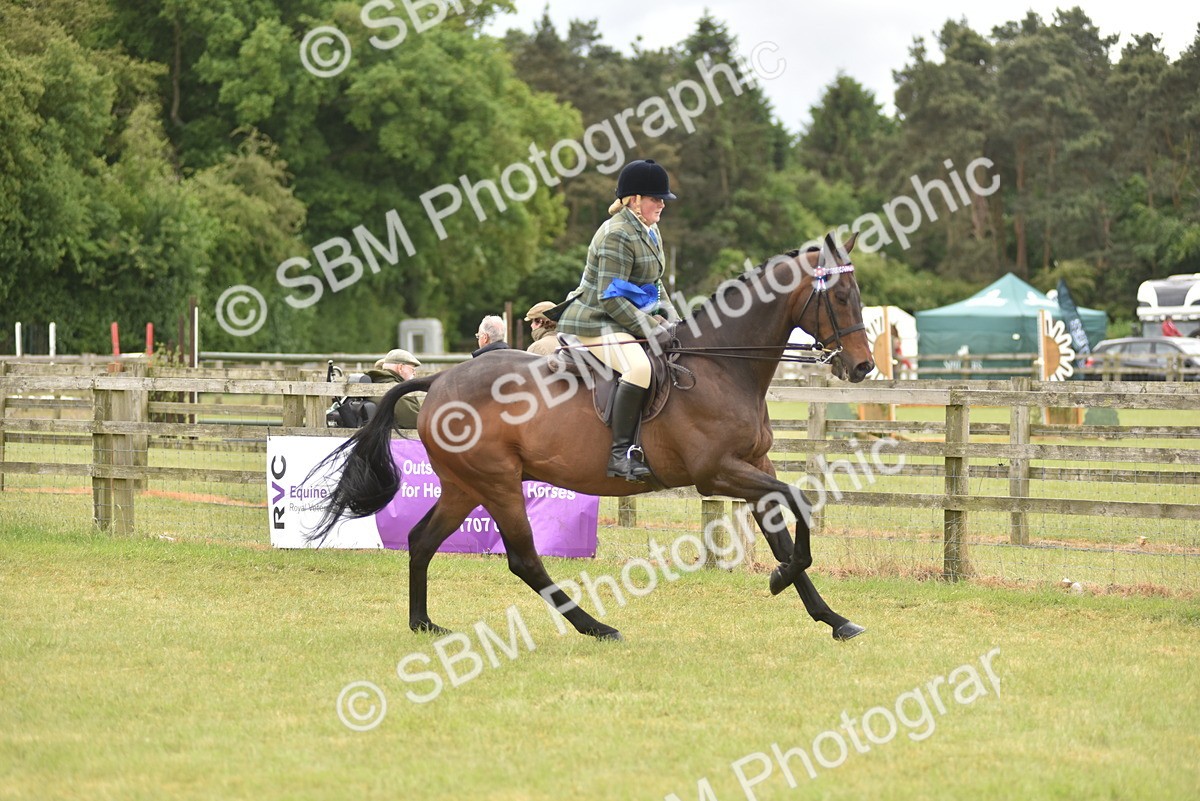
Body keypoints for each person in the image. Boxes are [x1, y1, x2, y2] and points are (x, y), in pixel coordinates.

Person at [554, 158, 680, 482]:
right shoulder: (618, 234)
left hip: (622, 317)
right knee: (638, 368)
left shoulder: (650, 230)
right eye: (656, 198)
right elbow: (610, 297)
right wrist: (651, 328)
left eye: (662, 198)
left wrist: (672, 317)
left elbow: (654, 283)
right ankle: (619, 455)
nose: (662, 204)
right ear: (635, 199)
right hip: (594, 319)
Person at [365, 348, 423, 428]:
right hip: (393, 439)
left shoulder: (373, 382)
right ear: (400, 368)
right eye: (412, 369)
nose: (414, 373)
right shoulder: (400, 392)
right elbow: (418, 422)